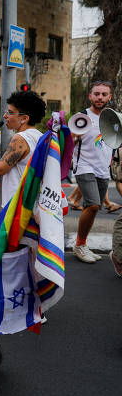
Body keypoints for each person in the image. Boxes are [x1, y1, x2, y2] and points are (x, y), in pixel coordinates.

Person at [71, 80, 115, 264]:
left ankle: (83, 243)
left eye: (104, 94)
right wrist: (74, 136)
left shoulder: (112, 118)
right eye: (96, 94)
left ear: (109, 97)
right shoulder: (81, 117)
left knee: (94, 209)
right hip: (84, 166)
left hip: (103, 167)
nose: (100, 97)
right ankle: (79, 245)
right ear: (90, 96)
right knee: (93, 205)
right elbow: (69, 142)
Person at [0, 91, 46, 204]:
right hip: (32, 201)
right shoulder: (39, 135)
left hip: (17, 204)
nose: (5, 116)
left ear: (24, 118)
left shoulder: (20, 138)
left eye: (10, 112)